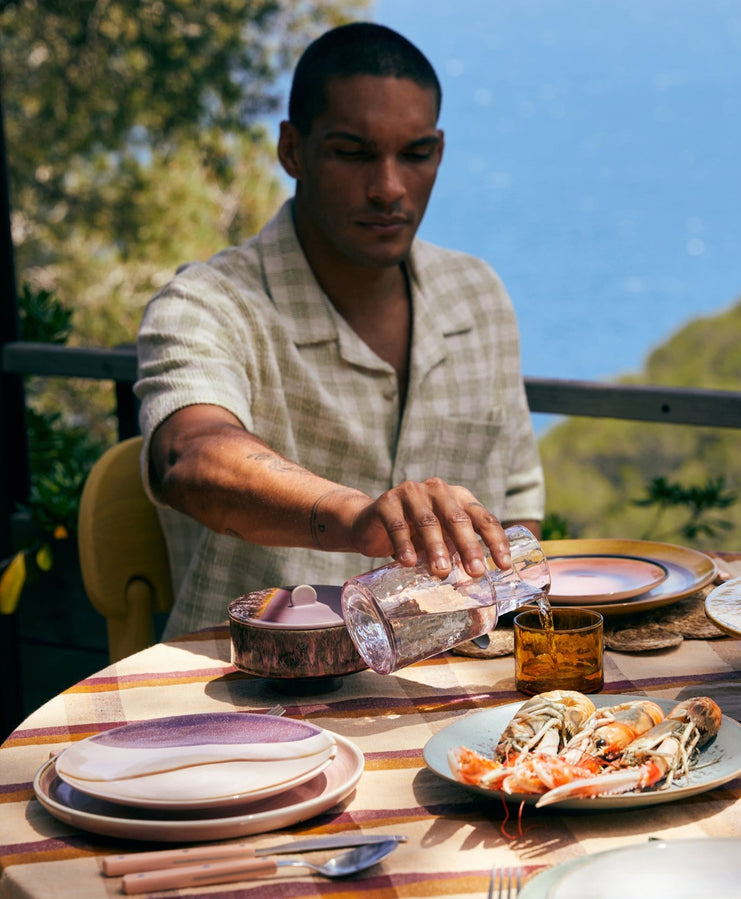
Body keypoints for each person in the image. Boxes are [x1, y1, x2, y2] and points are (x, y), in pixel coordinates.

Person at [135, 22, 545, 638]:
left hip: (447, 689)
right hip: (246, 689)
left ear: (439, 148)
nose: (389, 188)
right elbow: (189, 456)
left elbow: (517, 517)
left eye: (416, 154)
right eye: (352, 153)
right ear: (292, 150)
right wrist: (357, 519)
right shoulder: (207, 303)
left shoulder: (477, 294)